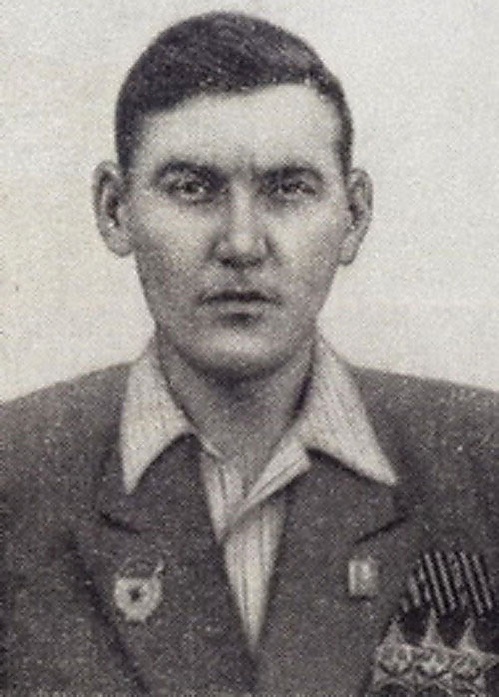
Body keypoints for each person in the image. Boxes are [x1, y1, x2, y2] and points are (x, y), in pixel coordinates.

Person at [1, 11, 498, 697]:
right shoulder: (14, 475)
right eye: (192, 188)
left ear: (353, 215)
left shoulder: (483, 463)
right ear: (115, 209)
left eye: (288, 188)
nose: (241, 243)